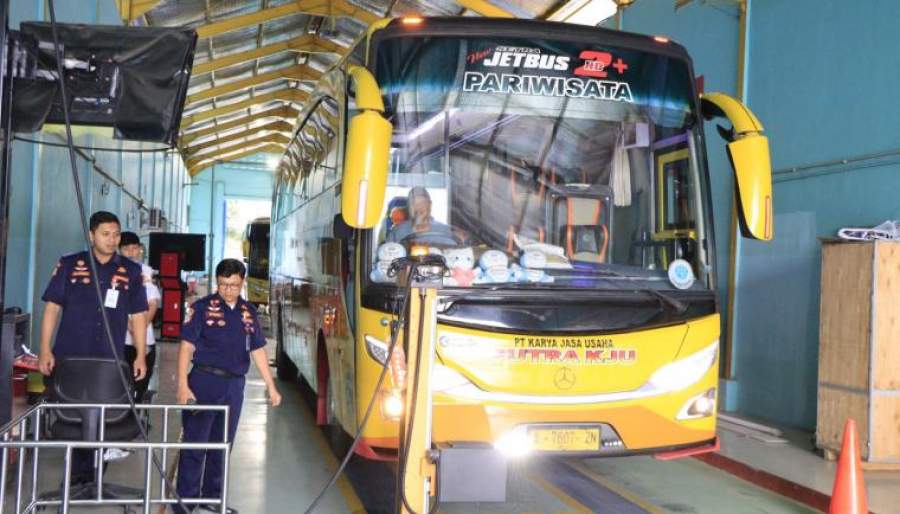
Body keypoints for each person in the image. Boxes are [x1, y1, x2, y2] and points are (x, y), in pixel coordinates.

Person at [38, 211, 149, 485]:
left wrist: (141, 355)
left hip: (109, 361)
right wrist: (44, 349)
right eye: (105, 234)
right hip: (71, 356)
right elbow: (52, 307)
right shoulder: (69, 265)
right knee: (74, 417)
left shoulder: (130, 272)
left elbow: (138, 317)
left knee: (104, 417)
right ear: (91, 235)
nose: (112, 240)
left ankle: (89, 478)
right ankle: (80, 478)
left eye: (116, 234)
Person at [174, 259, 282, 514]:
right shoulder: (201, 308)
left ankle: (212, 498)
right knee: (195, 444)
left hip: (234, 386)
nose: (228, 290)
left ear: (242, 282)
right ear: (217, 282)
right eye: (223, 285)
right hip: (203, 382)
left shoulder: (248, 312)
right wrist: (182, 384)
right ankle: (185, 504)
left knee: (223, 444)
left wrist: (271, 386)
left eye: (234, 285)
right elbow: (186, 346)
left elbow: (257, 349)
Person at [119, 232, 160, 402]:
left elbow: (153, 303)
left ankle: (136, 420)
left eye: (134, 248)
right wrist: (131, 326)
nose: (131, 252)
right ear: (119, 250)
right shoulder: (114, 271)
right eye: (126, 249)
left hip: (145, 341)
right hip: (121, 340)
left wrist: (140, 327)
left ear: (140, 250)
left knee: (140, 383)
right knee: (119, 385)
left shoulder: (145, 272)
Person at [386, 186, 456, 244]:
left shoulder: (444, 231)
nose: (419, 207)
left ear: (430, 205)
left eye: (422, 203)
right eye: (414, 204)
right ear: (409, 208)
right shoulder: (397, 232)